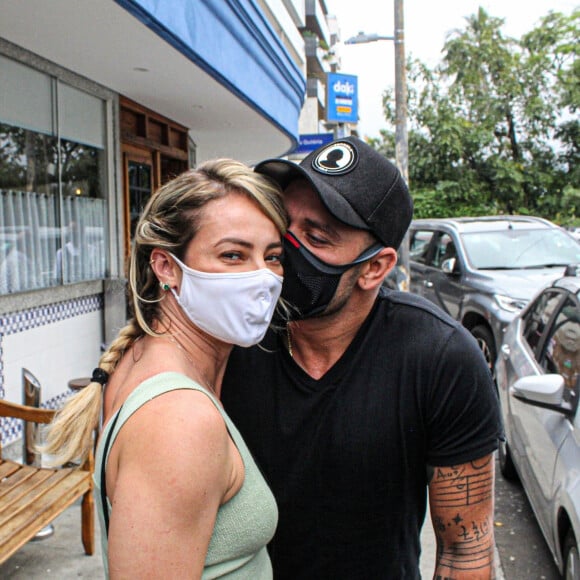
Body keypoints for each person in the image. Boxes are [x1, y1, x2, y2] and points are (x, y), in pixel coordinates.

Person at [221, 136, 503, 579]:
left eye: (316, 237)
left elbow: (465, 550)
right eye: (282, 223)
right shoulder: (234, 335)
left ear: (375, 267)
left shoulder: (440, 359)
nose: (286, 248)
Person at [42, 159, 288, 579]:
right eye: (233, 255)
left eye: (273, 256)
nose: (262, 277)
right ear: (167, 267)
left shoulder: (145, 354)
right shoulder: (179, 420)